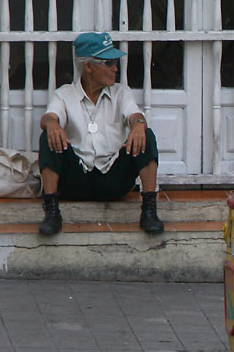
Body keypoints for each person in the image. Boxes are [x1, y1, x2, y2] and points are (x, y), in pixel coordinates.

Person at [37, 32, 164, 235]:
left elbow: (135, 114)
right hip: (76, 180)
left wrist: (138, 124)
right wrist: (52, 124)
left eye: (115, 62)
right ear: (88, 66)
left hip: (113, 179)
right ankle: (52, 212)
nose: (115, 68)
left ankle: (149, 210)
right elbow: (49, 117)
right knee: (48, 136)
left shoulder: (121, 92)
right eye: (108, 62)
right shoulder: (64, 94)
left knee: (146, 135)